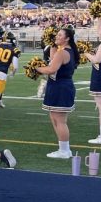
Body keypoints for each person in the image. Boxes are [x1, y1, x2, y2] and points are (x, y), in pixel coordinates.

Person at [38, 25, 77, 158]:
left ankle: (65, 151)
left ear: (67, 39)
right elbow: (52, 57)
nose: (57, 37)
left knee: (60, 121)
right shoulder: (63, 51)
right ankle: (63, 149)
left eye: (60, 35)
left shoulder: (63, 52)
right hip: (57, 86)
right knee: (55, 118)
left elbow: (51, 69)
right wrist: (52, 43)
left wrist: (36, 68)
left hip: (61, 87)